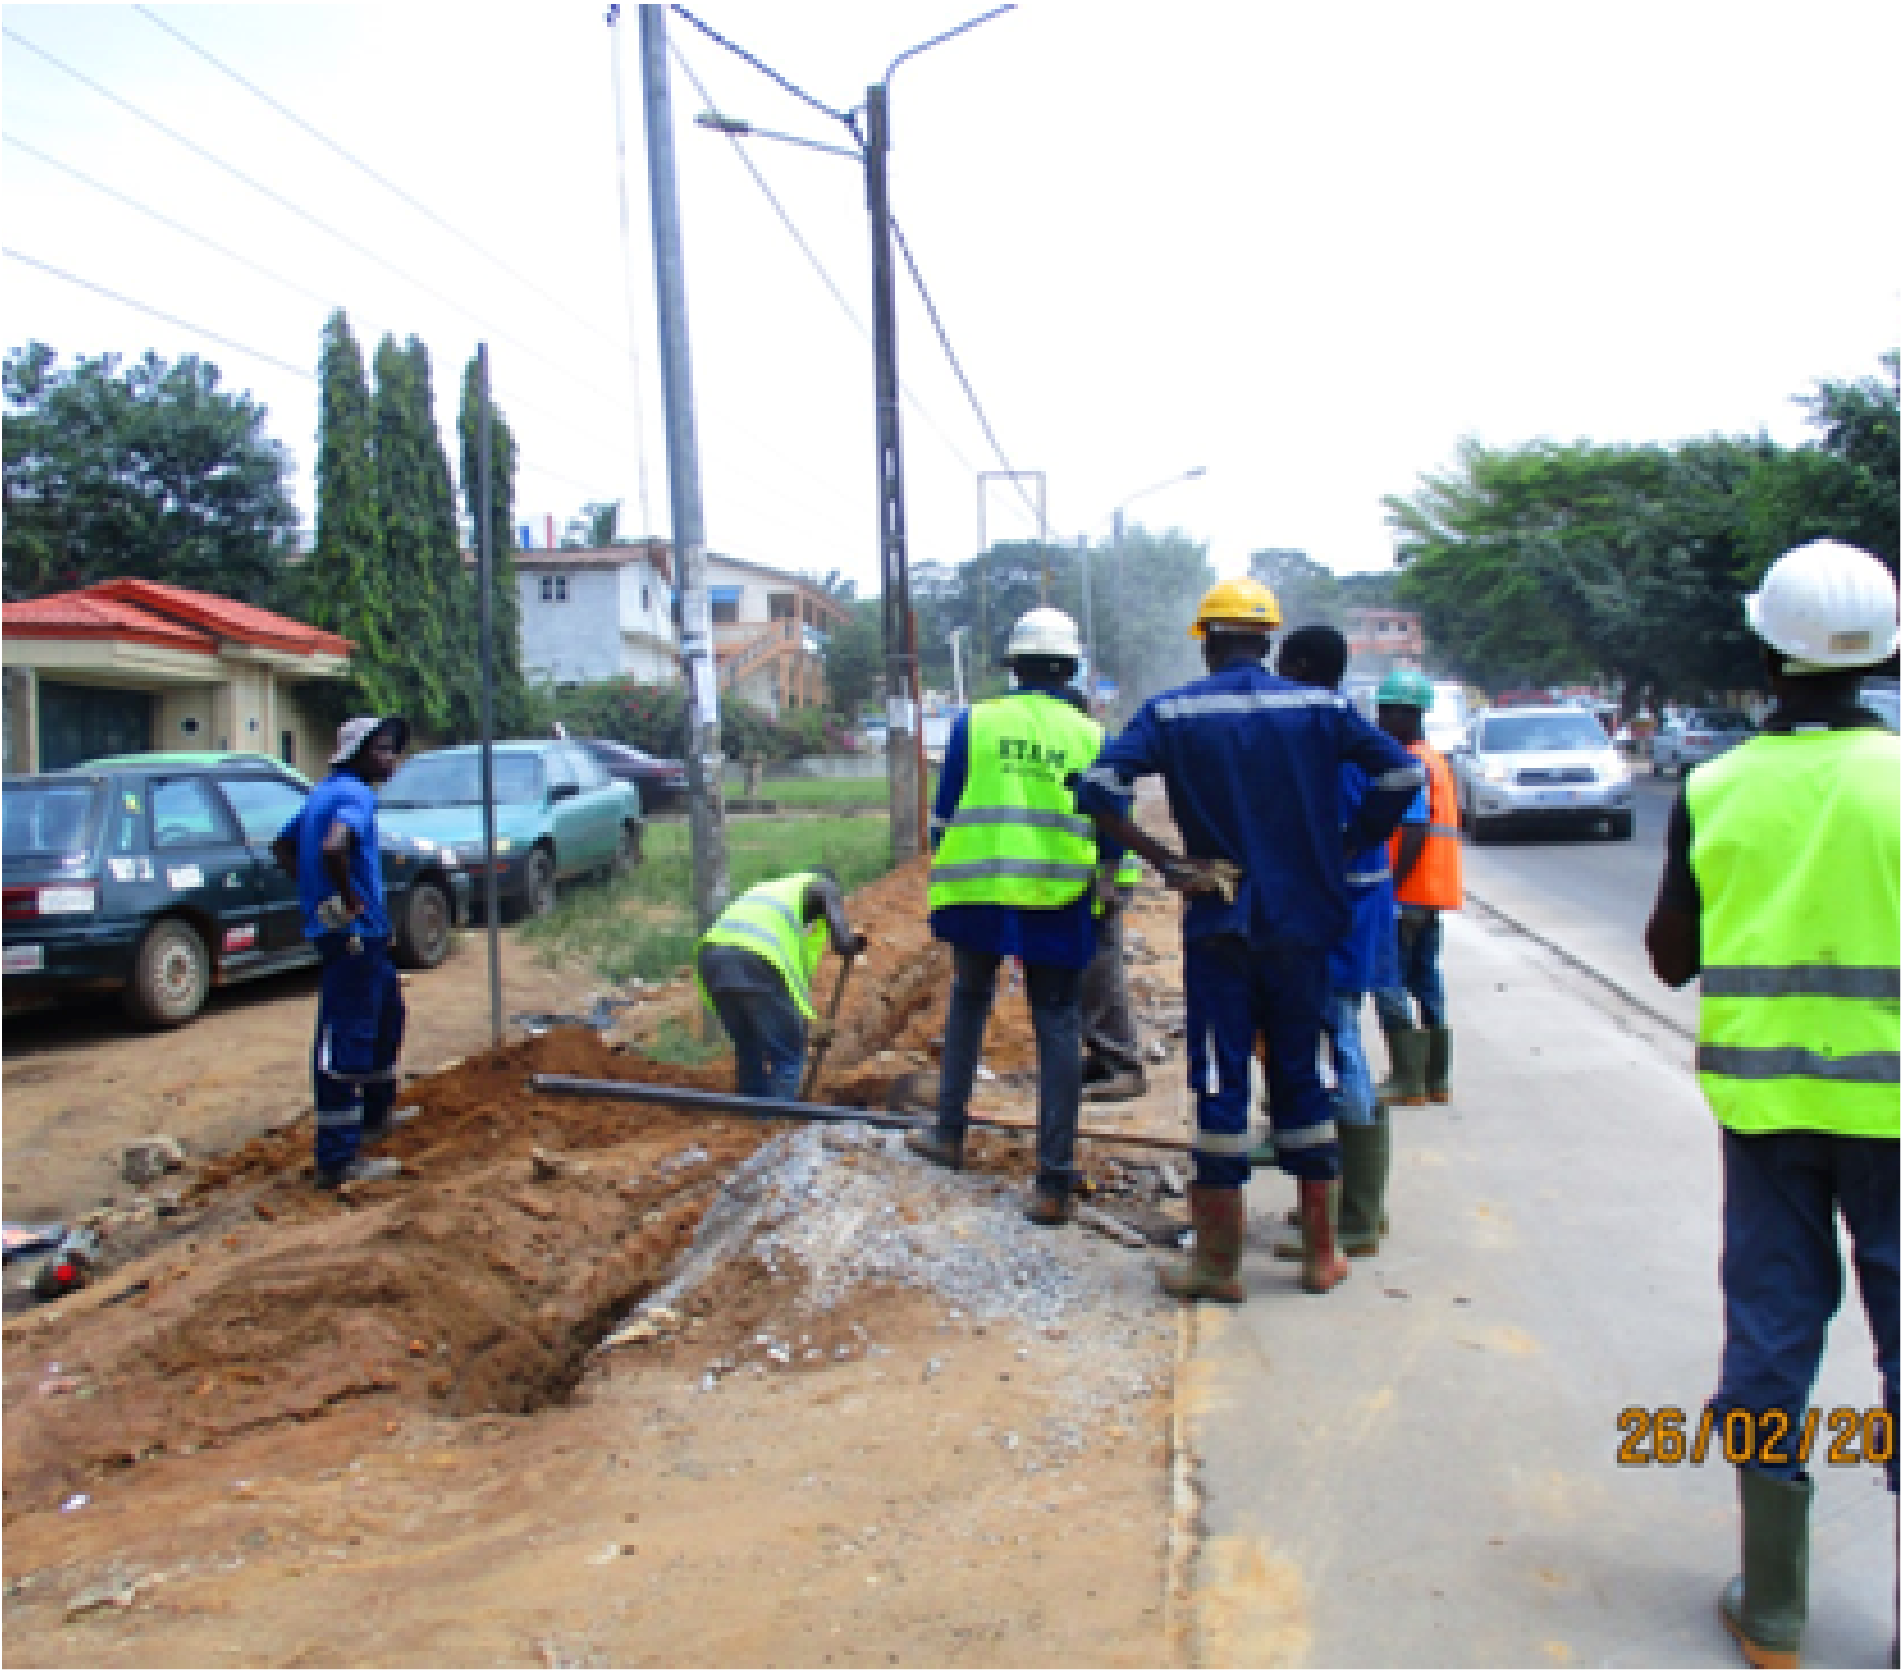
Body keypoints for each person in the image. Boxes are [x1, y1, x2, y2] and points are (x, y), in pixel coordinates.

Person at [1644, 538, 1900, 1670]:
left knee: (1769, 1331)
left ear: (1764, 650)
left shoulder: (1714, 783)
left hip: (1764, 1113)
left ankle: (1776, 1609)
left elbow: (1666, 956)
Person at [1076, 577, 1423, 1300]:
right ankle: (1321, 1256)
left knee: (1219, 1079)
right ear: (1268, 640)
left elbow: (1099, 787)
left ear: (1206, 641)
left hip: (1221, 923)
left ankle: (1219, 1264)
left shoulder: (1173, 714)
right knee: (1306, 1075)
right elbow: (1400, 771)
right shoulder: (1324, 707)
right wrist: (1346, 842)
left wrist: (1167, 861)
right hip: (1304, 923)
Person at [906, 606, 1113, 1226]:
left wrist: (955, 860)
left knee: (970, 998)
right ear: (1070, 666)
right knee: (1057, 1021)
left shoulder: (978, 722)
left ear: (1015, 666)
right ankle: (1052, 1182)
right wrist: (1107, 893)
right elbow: (1111, 827)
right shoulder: (1092, 734)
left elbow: (944, 816)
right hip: (1059, 894)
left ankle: (948, 1134)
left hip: (980, 887)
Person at [1259, 625, 1402, 1263]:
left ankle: (1356, 1217)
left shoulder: (1330, 731)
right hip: (1353, 905)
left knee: (1341, 1044)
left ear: (1305, 666)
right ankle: (1347, 1200)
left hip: (1340, 912)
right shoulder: (1336, 725)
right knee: (1336, 1042)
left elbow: (1398, 785)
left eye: (1284, 664)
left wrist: (1341, 846)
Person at [271, 715, 412, 1191]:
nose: (391, 759)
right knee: (346, 1040)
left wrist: (317, 895)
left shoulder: (321, 793)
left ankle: (375, 1117)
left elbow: (282, 846)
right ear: (357, 753)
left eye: (393, 750)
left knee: (385, 1016)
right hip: (355, 937)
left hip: (362, 937)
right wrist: (346, 902)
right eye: (383, 750)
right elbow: (336, 847)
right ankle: (338, 1160)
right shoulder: (355, 795)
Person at [1368, 667, 1462, 1108]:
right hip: (1433, 891)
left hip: (1406, 892)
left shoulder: (1409, 762)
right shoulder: (1434, 758)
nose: (1380, 721)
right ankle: (1434, 1078)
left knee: (1388, 982)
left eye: (1386, 713)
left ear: (1406, 715)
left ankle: (1408, 1080)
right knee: (1426, 981)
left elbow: (1417, 828)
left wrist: (1391, 887)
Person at [695, 869, 865, 1101]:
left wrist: (803, 1022)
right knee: (788, 1054)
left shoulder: (771, 893)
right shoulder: (823, 885)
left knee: (748, 1046)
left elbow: (797, 981)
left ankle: (751, 1113)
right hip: (754, 959)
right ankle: (774, 1121)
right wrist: (853, 942)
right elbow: (843, 943)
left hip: (712, 960)